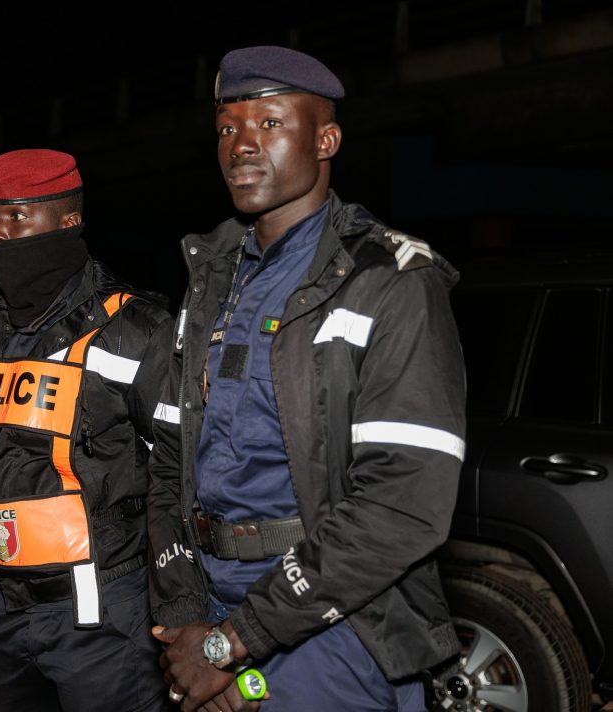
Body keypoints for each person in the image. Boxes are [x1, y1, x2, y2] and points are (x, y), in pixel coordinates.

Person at [147, 47, 466, 711]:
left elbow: (401, 506)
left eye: (269, 123)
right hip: (212, 602)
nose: (242, 145)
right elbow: (168, 461)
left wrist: (235, 642)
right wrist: (187, 622)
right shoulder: (211, 276)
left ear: (325, 140)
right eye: (228, 128)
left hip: (333, 617)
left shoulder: (390, 282)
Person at [0, 149, 173, 711]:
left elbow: (177, 478)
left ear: (69, 222)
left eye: (19, 217)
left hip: (103, 614)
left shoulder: (134, 330)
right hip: (5, 609)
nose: (0, 235)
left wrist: (183, 606)